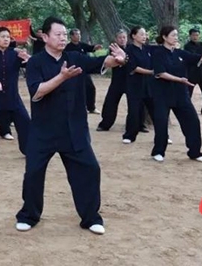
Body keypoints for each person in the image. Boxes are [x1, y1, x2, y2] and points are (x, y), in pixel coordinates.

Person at [15, 17, 127, 234]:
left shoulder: (75, 57)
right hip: (43, 130)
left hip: (74, 128)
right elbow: (37, 92)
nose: (63, 38)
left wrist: (119, 59)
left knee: (90, 169)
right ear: (45, 37)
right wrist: (62, 77)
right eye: (58, 34)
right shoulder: (36, 62)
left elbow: (102, 62)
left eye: (65, 34)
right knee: (33, 174)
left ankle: (91, 217)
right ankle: (29, 215)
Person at [150, 26, 202, 163]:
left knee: (192, 121)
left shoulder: (180, 53)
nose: (176, 37)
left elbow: (197, 57)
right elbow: (161, 73)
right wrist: (179, 79)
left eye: (176, 35)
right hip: (162, 94)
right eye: (173, 35)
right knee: (161, 123)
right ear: (164, 37)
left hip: (181, 94)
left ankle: (195, 152)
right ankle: (158, 151)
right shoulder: (158, 53)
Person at [0, 27, 31, 159]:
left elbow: (29, 65)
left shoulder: (15, 54)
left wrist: (27, 58)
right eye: (3, 37)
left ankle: (28, 150)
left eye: (8, 37)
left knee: (25, 121)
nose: (6, 39)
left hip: (12, 96)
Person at [122, 26, 156, 144]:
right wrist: (151, 72)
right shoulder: (129, 50)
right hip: (134, 85)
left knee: (155, 110)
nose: (144, 36)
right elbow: (133, 67)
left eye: (145, 34)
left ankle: (162, 135)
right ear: (134, 36)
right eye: (141, 34)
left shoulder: (148, 49)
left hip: (149, 85)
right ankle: (129, 135)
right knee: (134, 111)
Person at [96, 30, 129, 132]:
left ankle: (138, 125)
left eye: (124, 37)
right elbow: (117, 60)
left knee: (136, 104)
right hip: (117, 81)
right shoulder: (113, 49)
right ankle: (105, 124)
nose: (122, 39)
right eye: (120, 37)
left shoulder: (132, 49)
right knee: (110, 102)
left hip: (131, 81)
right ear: (116, 39)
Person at [64, 29, 103, 114]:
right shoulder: (67, 47)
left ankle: (91, 107)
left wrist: (96, 47)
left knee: (91, 88)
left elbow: (90, 48)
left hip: (84, 71)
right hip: (73, 72)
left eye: (79, 34)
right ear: (71, 36)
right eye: (77, 34)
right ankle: (80, 107)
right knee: (77, 90)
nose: (79, 36)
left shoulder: (82, 45)